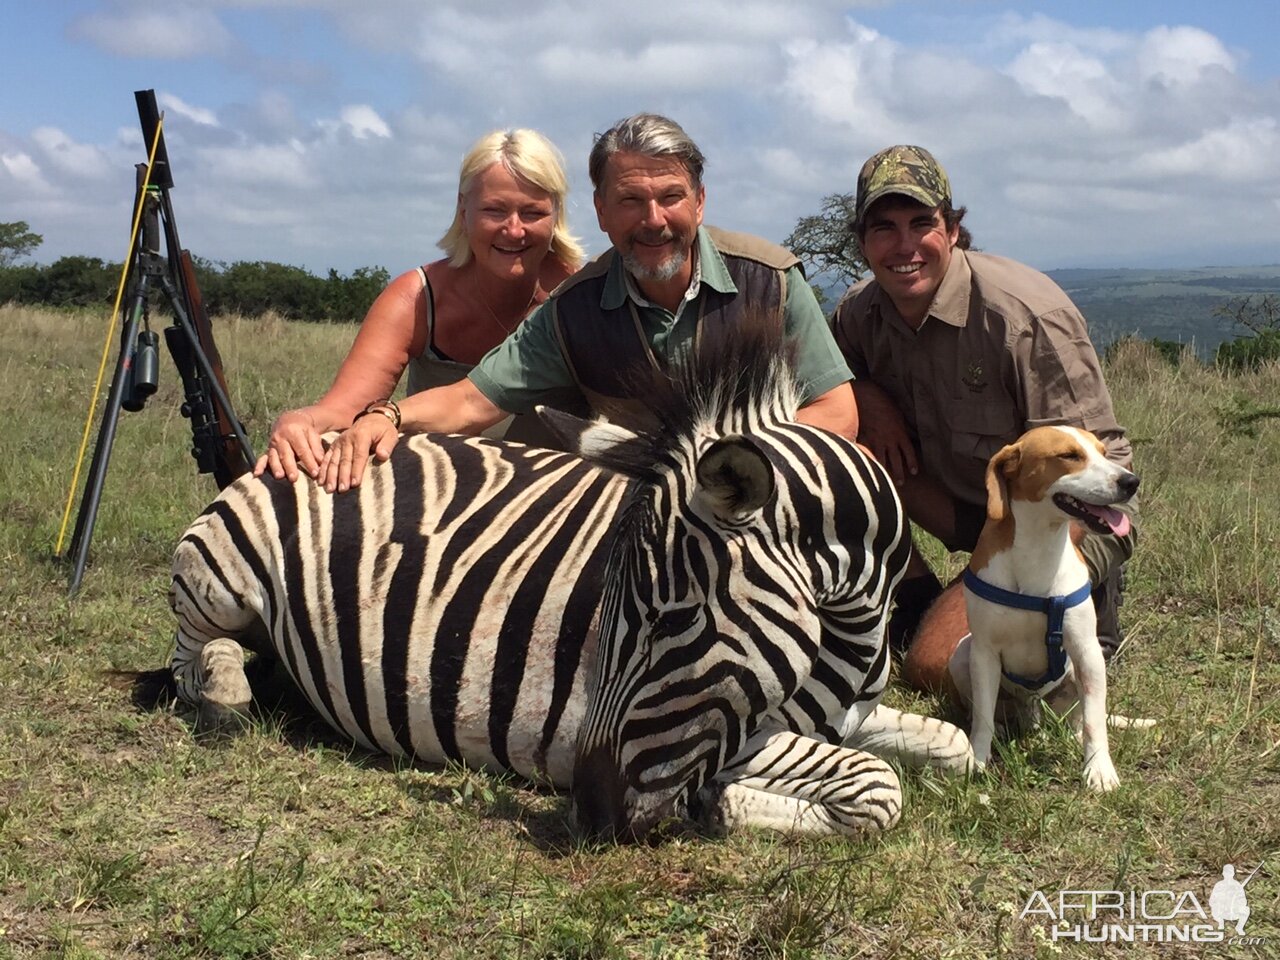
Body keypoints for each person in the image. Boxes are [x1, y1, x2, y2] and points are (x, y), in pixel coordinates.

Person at [318, 112, 858, 493]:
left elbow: (837, 413)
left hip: (767, 499)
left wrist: (741, 476)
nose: (653, 220)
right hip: (650, 515)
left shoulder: (772, 280)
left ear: (699, 200)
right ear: (600, 211)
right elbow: (469, 402)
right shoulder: (571, 310)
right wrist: (387, 416)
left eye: (670, 197)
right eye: (630, 200)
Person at [830, 145, 1137, 663]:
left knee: (932, 664)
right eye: (884, 228)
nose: (904, 246)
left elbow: (1103, 478)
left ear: (951, 229)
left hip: (1053, 526)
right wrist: (866, 397)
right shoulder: (857, 316)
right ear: (862, 242)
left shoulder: (1026, 318)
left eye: (921, 223)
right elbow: (822, 388)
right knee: (836, 441)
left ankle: (1078, 618)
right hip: (966, 511)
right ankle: (921, 598)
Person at [256, 128, 585, 482]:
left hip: (556, 513)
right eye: (495, 210)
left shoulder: (580, 297)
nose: (514, 229)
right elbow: (345, 408)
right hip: (435, 505)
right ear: (463, 210)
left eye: (532, 213)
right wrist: (300, 422)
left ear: (556, 214)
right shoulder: (415, 298)